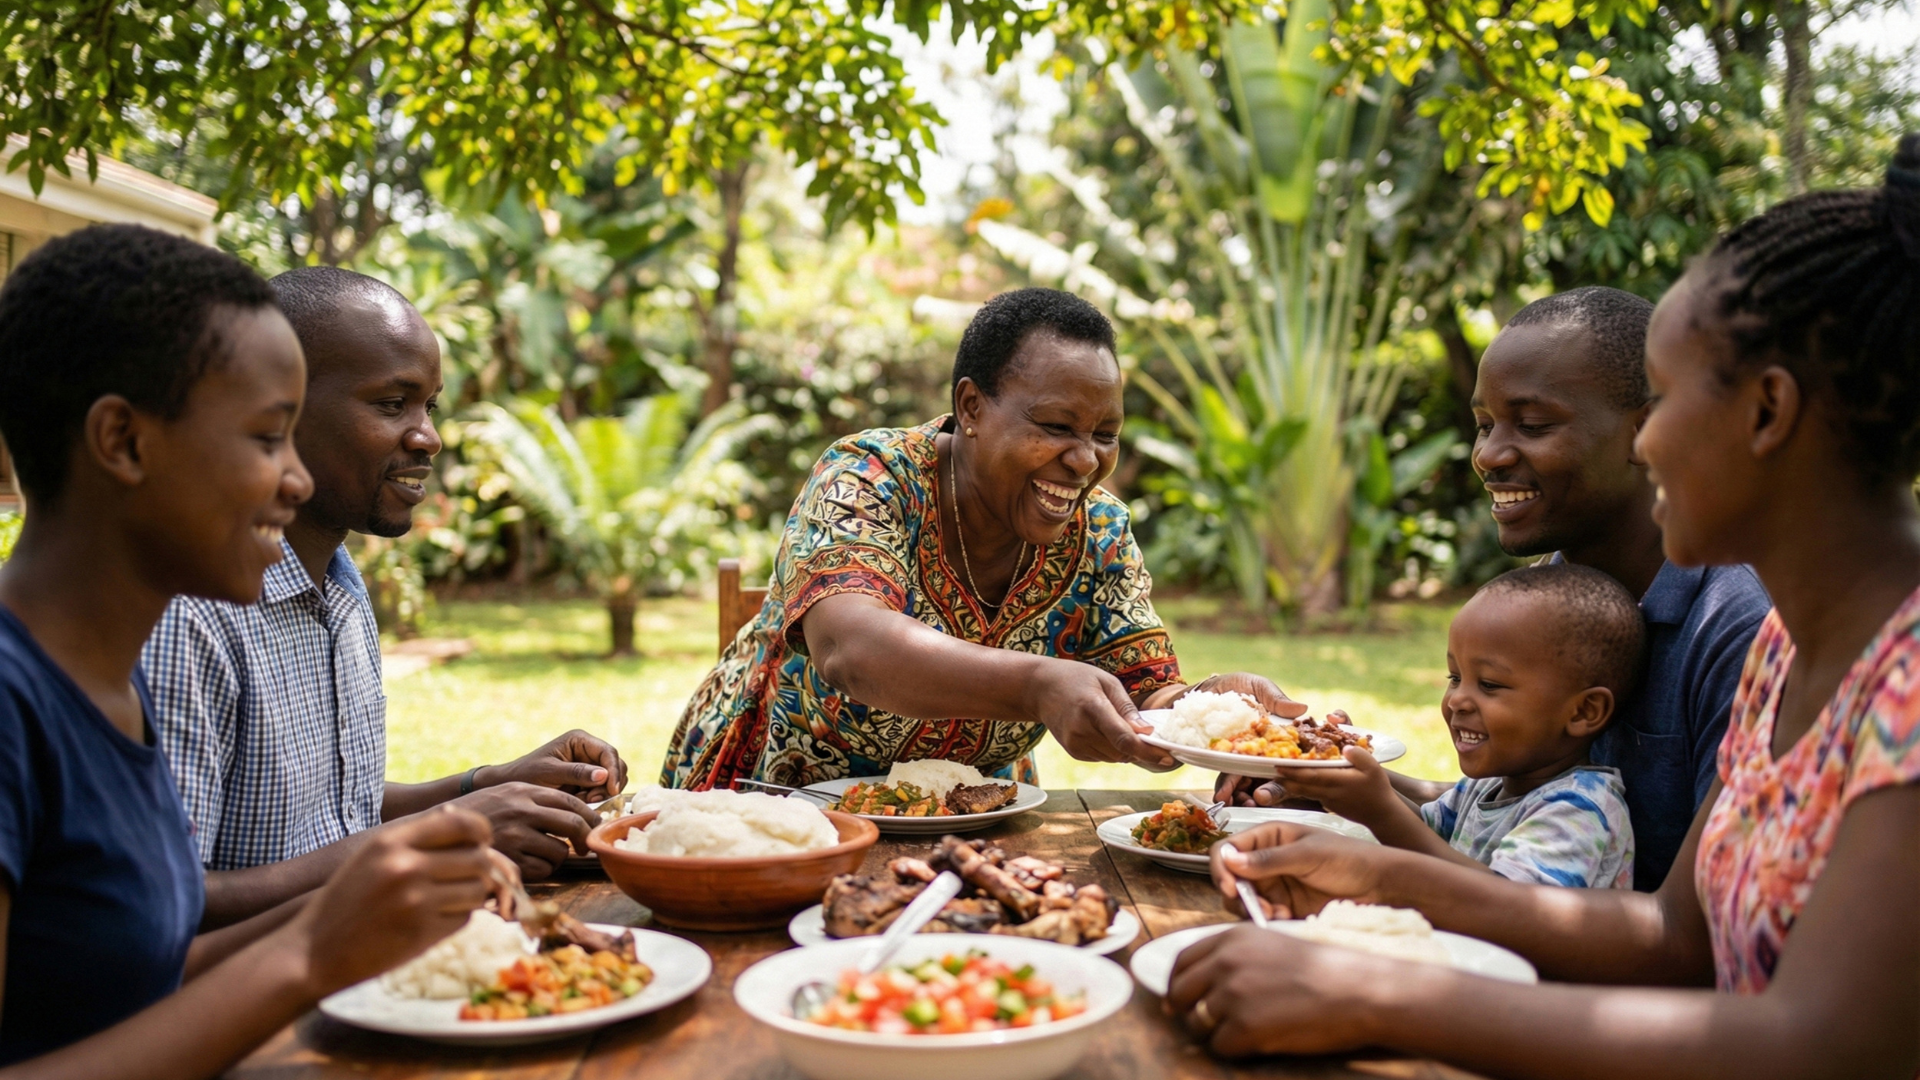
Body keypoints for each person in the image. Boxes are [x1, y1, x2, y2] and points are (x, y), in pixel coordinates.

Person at [1170, 140, 1920, 1078]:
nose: (1649, 444)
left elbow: (1824, 1044)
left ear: (1766, 413)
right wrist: (1376, 868)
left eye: (1665, 401)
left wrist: (1376, 995)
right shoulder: (1788, 651)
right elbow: (1672, 934)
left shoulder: (1902, 684)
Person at [0, 223, 495, 1073]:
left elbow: (130, 978)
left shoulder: (106, 685)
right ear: (123, 442)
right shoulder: (14, 705)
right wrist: (304, 956)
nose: (295, 481)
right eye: (269, 438)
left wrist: (362, 911)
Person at [1224, 285, 1770, 891]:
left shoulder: (1737, 627)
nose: (1488, 455)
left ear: (1647, 433)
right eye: (1484, 424)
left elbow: (1700, 925)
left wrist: (1381, 827)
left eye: (1531, 424)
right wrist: (1324, 774)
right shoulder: (1552, 594)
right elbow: (1516, 801)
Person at [660, 287, 1301, 790]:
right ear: (970, 407)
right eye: (1055, 425)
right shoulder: (871, 475)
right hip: (778, 807)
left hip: (978, 813)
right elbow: (849, 650)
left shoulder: (1100, 531)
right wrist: (1037, 685)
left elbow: (1145, 690)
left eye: (1106, 434)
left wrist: (1203, 709)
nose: (1084, 460)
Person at [141, 265, 627, 927]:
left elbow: (339, 813)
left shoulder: (338, 584)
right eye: (392, 404)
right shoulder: (189, 615)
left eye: (430, 405)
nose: (428, 436)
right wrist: (451, 827)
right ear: (280, 410)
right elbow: (166, 909)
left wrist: (487, 787)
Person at [1273, 563, 1639, 889]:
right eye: (1454, 676)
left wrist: (1379, 810)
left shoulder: (1579, 811)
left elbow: (1508, 909)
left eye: (1490, 684)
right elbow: (1425, 832)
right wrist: (1341, 771)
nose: (1457, 700)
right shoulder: (1487, 788)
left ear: (1582, 712)